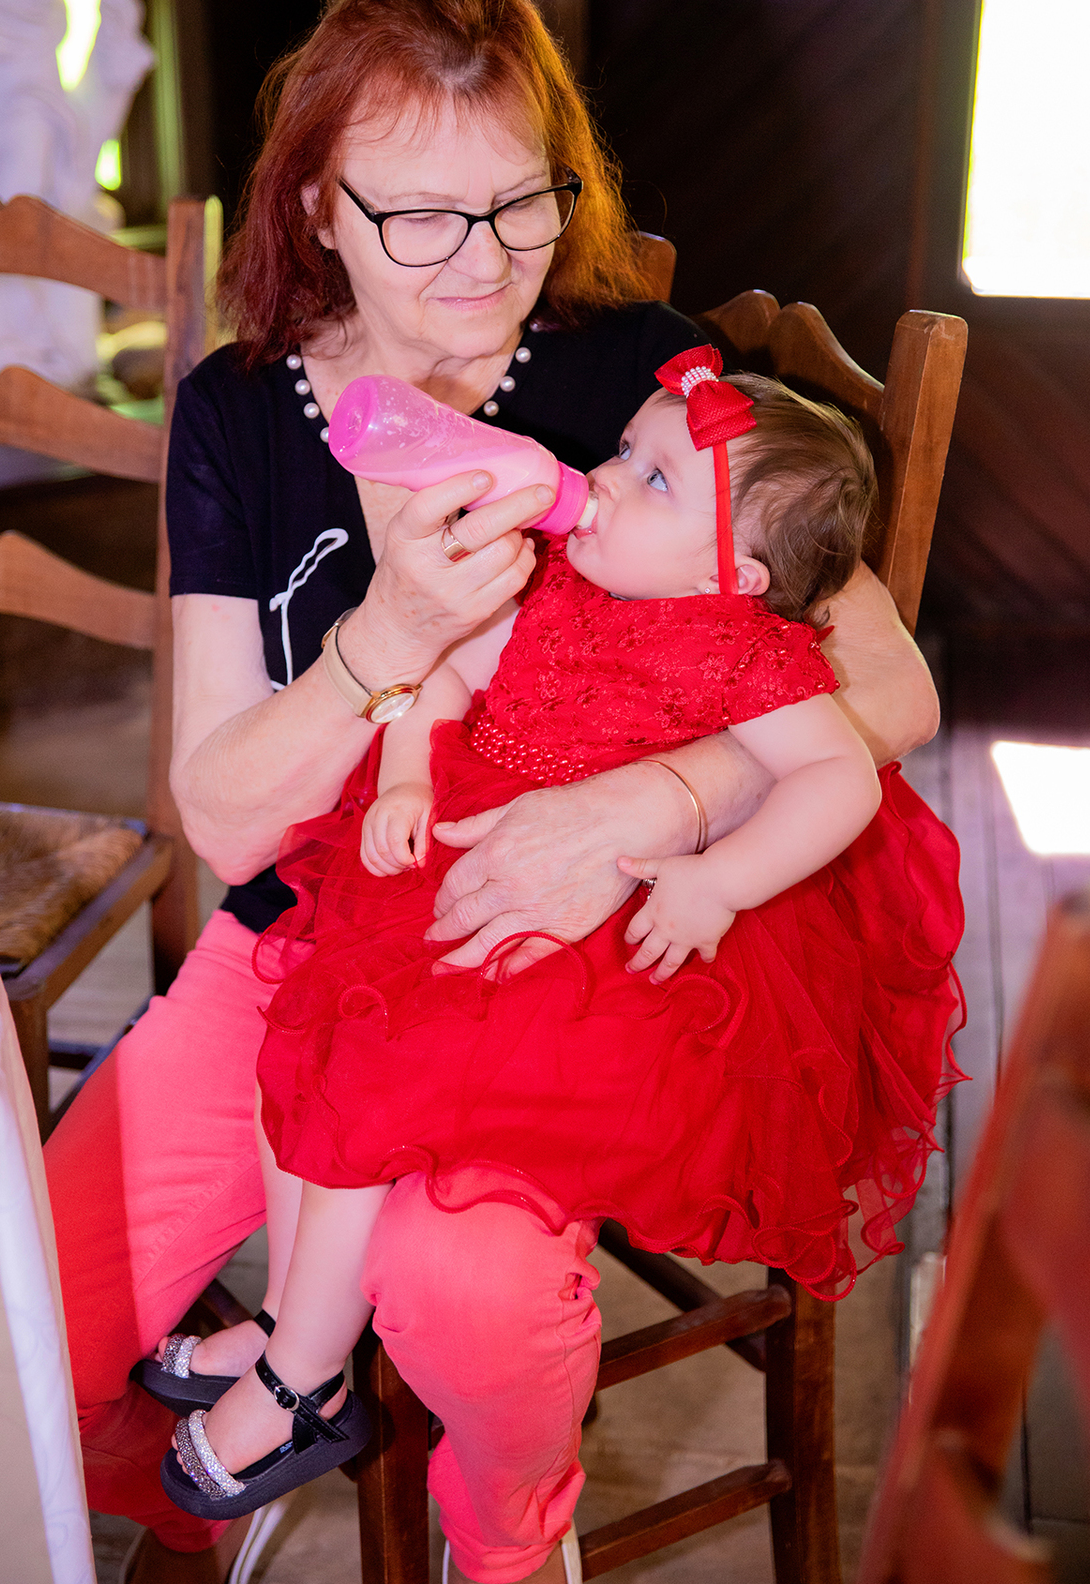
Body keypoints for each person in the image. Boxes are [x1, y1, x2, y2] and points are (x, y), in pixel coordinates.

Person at [43, 0, 941, 1584]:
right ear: (321, 208)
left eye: (524, 204)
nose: (489, 264)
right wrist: (381, 644)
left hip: (536, 951)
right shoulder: (239, 421)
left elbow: (888, 688)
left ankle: (513, 1539)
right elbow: (228, 810)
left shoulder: (641, 388)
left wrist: (648, 807)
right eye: (426, 221)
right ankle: (252, 1409)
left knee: (461, 1290)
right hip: (297, 940)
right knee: (23, 1303)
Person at [150, 356, 963, 1525]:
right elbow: (433, 669)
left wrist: (720, 882)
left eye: (654, 479)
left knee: (370, 1078)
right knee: (315, 1050)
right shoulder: (551, 582)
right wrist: (411, 773)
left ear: (734, 572)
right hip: (471, 864)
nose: (605, 481)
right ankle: (291, 1323)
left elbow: (841, 784)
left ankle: (299, 1386)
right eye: (625, 450)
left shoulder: (747, 655)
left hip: (603, 952)